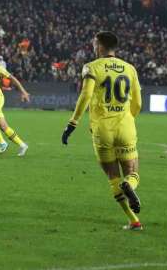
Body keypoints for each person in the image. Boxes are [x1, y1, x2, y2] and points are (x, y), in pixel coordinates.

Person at [62, 31, 143, 231]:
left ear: (99, 46)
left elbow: (86, 94)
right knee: (132, 173)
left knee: (113, 178)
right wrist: (127, 118)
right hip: (125, 127)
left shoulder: (91, 67)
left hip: (102, 130)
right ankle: (130, 186)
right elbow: (138, 103)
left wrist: (72, 123)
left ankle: (133, 220)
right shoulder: (130, 69)